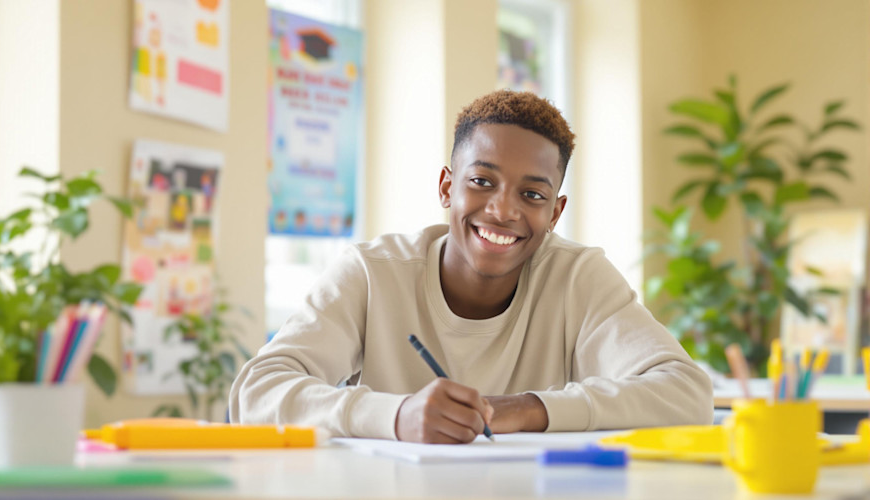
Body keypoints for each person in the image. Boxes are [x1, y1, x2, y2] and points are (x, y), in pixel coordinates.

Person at [230, 90, 713, 444]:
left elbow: (688, 394)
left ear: (555, 213)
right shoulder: (373, 272)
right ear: (446, 186)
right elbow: (255, 392)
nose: (503, 210)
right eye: (482, 180)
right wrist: (395, 416)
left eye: (533, 194)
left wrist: (529, 409)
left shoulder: (577, 277)